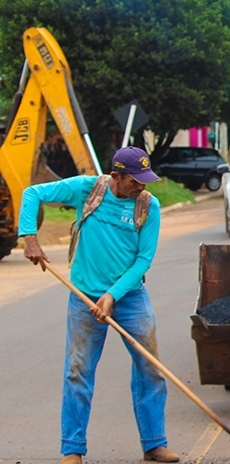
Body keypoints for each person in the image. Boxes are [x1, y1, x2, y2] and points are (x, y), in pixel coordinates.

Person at [19, 147, 178, 464]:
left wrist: (112, 296)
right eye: (136, 180)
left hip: (130, 297)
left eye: (146, 180)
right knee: (78, 372)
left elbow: (143, 260)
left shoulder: (149, 206)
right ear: (116, 176)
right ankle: (72, 449)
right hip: (84, 297)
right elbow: (32, 193)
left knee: (151, 368)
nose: (142, 187)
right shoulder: (87, 189)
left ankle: (154, 443)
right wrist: (30, 237)